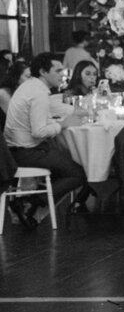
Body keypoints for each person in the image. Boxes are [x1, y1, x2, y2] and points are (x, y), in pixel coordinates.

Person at [2, 53, 87, 227]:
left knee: (64, 164)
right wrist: (62, 125)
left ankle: (31, 206)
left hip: (13, 150)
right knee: (79, 173)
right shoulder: (37, 93)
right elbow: (39, 132)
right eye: (57, 70)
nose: (62, 74)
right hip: (26, 152)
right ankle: (31, 202)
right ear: (43, 71)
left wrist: (67, 116)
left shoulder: (31, 87)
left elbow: (47, 112)